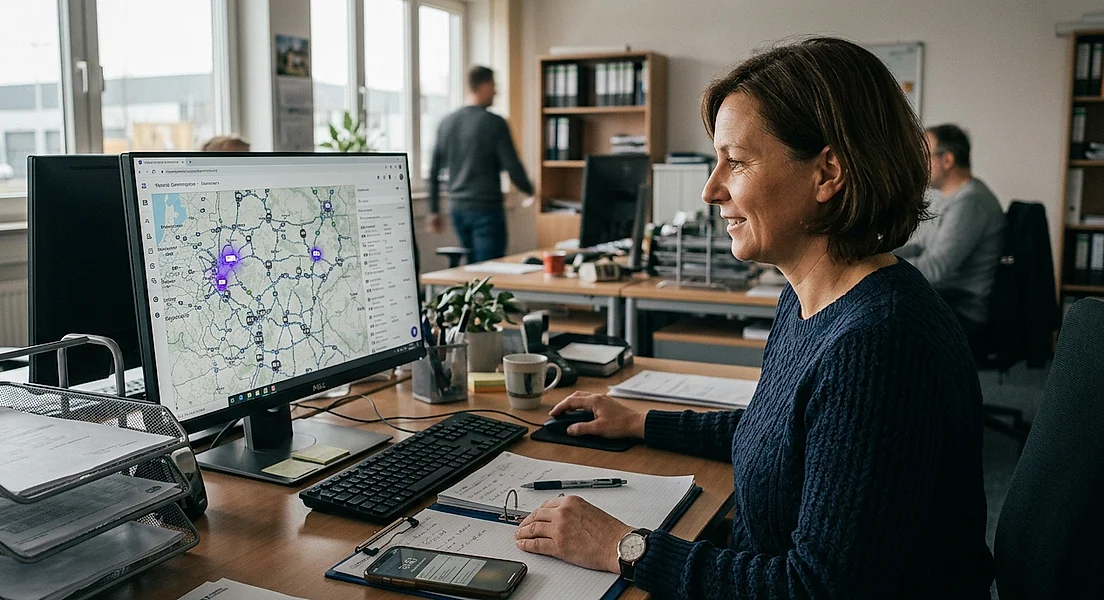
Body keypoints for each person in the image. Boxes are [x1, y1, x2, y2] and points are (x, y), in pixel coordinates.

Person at [513, 37, 994, 599]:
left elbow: (815, 590)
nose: (711, 189)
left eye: (735, 162)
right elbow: (780, 436)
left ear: (827, 173)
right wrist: (641, 421)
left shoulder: (877, 344)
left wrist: (623, 546)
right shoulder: (810, 294)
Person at [895, 124, 1006, 356]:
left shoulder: (970, 203)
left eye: (924, 155)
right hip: (946, 299)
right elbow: (921, 248)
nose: (918, 162)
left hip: (961, 311)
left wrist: (879, 269)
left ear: (947, 160)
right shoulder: (952, 197)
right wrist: (878, 255)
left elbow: (935, 270)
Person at [427, 66, 533, 264]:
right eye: (494, 86)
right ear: (482, 86)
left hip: (457, 208)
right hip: (486, 208)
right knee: (488, 270)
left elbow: (434, 170)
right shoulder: (494, 122)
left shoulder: (447, 122)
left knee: (471, 268)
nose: (496, 91)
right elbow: (512, 165)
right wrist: (530, 190)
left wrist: (433, 210)